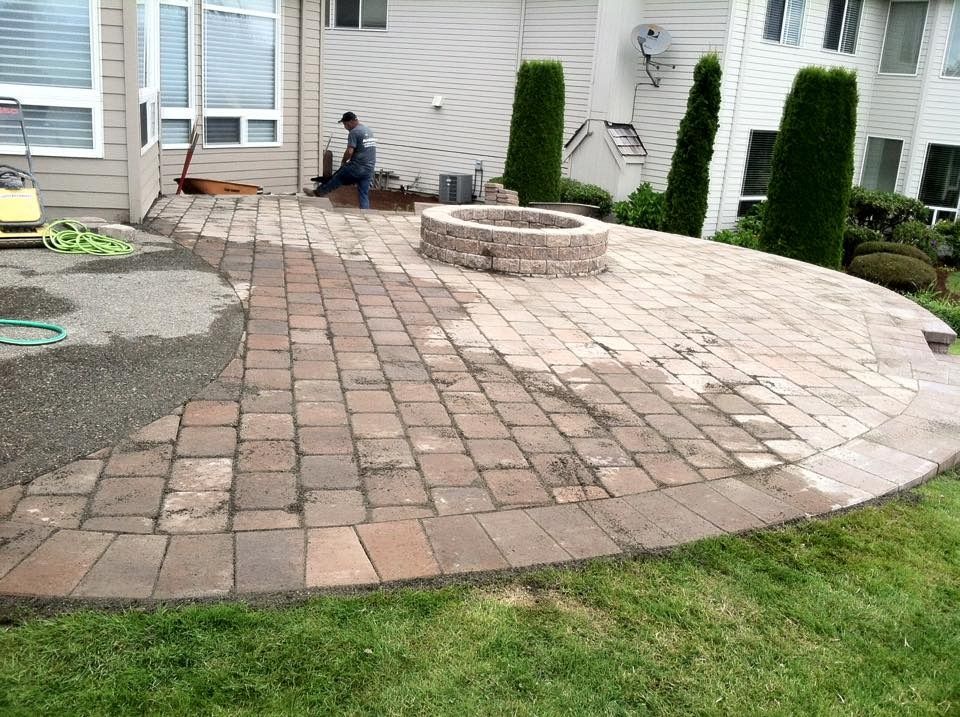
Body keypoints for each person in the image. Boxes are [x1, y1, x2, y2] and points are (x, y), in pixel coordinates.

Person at [310, 111, 377, 209]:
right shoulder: (367, 130)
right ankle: (365, 214)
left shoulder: (354, 132)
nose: (345, 127)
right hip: (369, 169)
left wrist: (343, 161)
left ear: (350, 122)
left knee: (338, 177)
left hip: (358, 167)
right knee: (363, 193)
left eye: (345, 124)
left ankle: (317, 193)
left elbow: (350, 151)